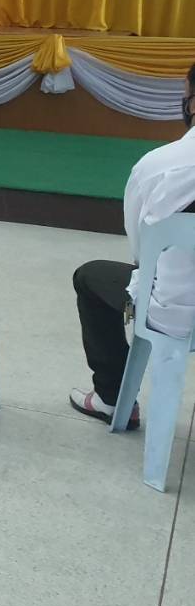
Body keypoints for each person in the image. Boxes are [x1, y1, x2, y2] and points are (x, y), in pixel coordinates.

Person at [68, 63, 195, 430]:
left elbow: (142, 252)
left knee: (90, 278)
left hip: (174, 312)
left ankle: (111, 397)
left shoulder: (157, 166)